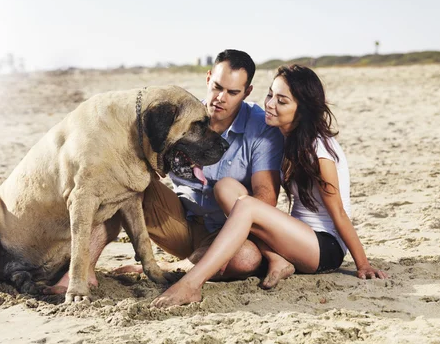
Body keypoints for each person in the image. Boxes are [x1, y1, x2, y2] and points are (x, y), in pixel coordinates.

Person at [151, 65, 387, 308]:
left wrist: (363, 264)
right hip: (292, 240)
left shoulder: (318, 150)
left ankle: (191, 284)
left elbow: (338, 212)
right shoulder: (286, 139)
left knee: (248, 207)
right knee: (226, 187)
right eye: (270, 95)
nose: (270, 104)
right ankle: (275, 258)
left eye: (282, 101)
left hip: (323, 246)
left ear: (302, 110)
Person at [110, 49, 285, 280]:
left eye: (232, 92)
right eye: (217, 87)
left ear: (247, 92)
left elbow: (266, 199)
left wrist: (233, 232)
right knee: (120, 182)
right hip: (179, 223)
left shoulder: (262, 129)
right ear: (208, 77)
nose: (221, 98)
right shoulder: (182, 119)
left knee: (247, 259)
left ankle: (175, 267)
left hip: (229, 234)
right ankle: (79, 273)